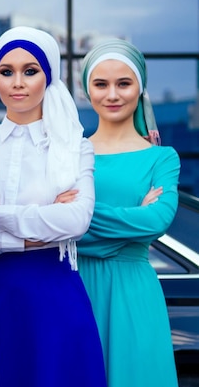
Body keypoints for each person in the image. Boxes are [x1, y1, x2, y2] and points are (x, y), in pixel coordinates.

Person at [0, 26, 107, 387]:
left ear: (49, 76)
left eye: (30, 71)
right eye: (6, 71)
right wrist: (41, 225)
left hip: (55, 296)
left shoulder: (74, 146)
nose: (17, 82)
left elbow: (76, 220)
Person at [77, 38, 180, 387]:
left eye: (124, 83)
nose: (112, 95)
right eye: (101, 84)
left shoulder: (162, 157)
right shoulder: (70, 153)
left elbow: (158, 220)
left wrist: (83, 217)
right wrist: (132, 222)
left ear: (140, 88)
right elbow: (59, 226)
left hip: (135, 295)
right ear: (87, 90)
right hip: (75, 289)